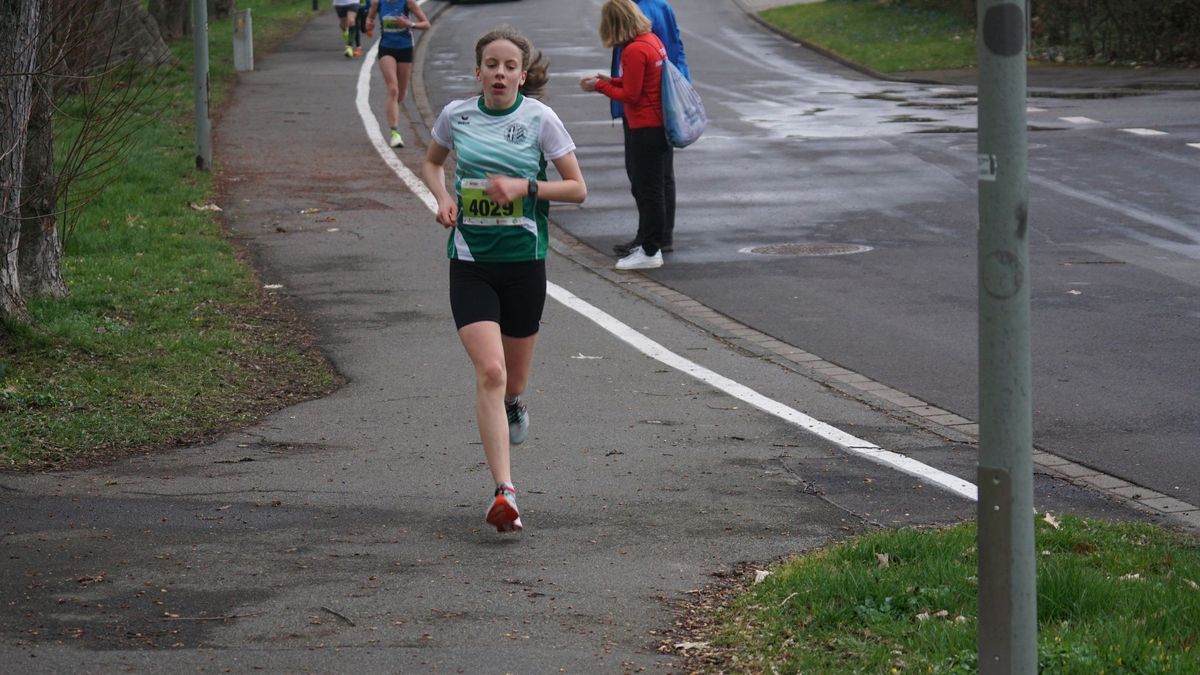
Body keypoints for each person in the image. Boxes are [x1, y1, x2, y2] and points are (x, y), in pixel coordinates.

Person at [420, 27, 587, 533]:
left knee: (512, 381)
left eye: (509, 66)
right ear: (478, 72)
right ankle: (505, 492)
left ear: (522, 75)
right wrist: (442, 198)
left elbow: (577, 188)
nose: (499, 73)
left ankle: (515, 403)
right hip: (471, 263)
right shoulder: (456, 116)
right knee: (490, 372)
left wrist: (524, 187)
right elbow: (431, 164)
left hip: (523, 265)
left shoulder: (540, 119)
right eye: (491, 65)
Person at [581, 0, 669, 270]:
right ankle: (647, 243)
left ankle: (651, 250)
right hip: (656, 125)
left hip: (644, 127)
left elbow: (631, 95)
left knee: (648, 190)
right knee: (650, 188)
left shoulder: (633, 50)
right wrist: (610, 80)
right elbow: (639, 81)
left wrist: (599, 87)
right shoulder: (651, 41)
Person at [609, 0, 688, 257]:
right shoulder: (652, 8)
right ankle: (655, 235)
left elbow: (668, 55)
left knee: (648, 179)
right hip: (654, 107)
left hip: (648, 111)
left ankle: (653, 238)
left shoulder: (647, 11)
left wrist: (604, 87)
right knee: (655, 177)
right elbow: (674, 50)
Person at [365, 0, 431, 148]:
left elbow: (426, 24)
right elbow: (369, 19)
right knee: (393, 89)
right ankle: (395, 133)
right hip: (386, 49)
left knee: (400, 94)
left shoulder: (408, 3)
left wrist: (410, 24)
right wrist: (368, 24)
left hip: (405, 49)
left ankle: (392, 106)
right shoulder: (378, 3)